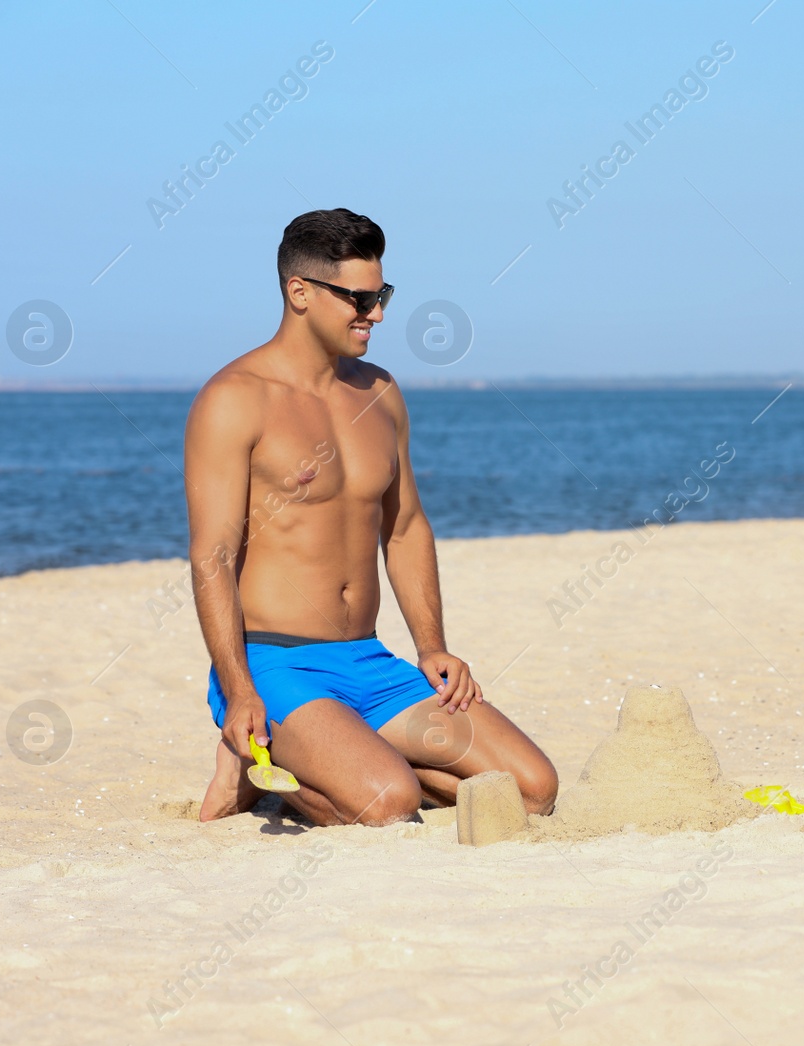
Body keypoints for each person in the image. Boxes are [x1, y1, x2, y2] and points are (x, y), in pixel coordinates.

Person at [187, 208, 557, 826]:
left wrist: (432, 646)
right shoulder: (235, 399)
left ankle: (338, 756)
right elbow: (212, 557)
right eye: (359, 299)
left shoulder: (380, 393)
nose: (377, 314)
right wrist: (239, 687)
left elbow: (406, 525)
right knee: (389, 805)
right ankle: (253, 755)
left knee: (531, 789)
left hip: (370, 663)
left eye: (382, 295)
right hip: (276, 665)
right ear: (299, 292)